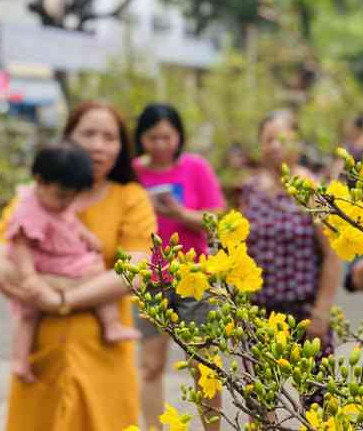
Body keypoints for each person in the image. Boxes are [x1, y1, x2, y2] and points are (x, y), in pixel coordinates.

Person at [0, 100, 156, 431]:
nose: (98, 145)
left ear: (122, 146)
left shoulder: (130, 198)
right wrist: (74, 287)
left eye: (109, 137)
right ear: (67, 138)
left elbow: (134, 273)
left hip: (105, 355)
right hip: (41, 356)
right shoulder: (33, 198)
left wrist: (58, 300)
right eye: (88, 133)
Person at [7, 142, 140, 383]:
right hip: (51, 265)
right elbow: (21, 245)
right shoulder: (29, 210)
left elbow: (71, 221)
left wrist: (87, 236)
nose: (66, 203)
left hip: (61, 263)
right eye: (62, 197)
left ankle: (20, 360)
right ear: (40, 181)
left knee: (29, 316)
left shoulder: (56, 203)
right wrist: (29, 277)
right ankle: (19, 359)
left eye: (72, 198)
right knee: (29, 316)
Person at [133, 103, 226, 431]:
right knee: (150, 366)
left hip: (194, 277)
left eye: (166, 136)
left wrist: (181, 214)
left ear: (178, 136)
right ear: (140, 138)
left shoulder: (196, 168)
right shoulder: (133, 173)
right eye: (152, 137)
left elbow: (219, 219)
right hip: (148, 278)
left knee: (204, 366)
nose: (160, 144)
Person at [239, 110, 341, 404]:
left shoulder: (310, 189)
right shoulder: (249, 189)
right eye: (267, 139)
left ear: (297, 142)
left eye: (281, 138)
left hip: (305, 312)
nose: (274, 146)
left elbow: (333, 255)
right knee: (259, 404)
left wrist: (321, 314)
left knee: (318, 405)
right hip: (258, 312)